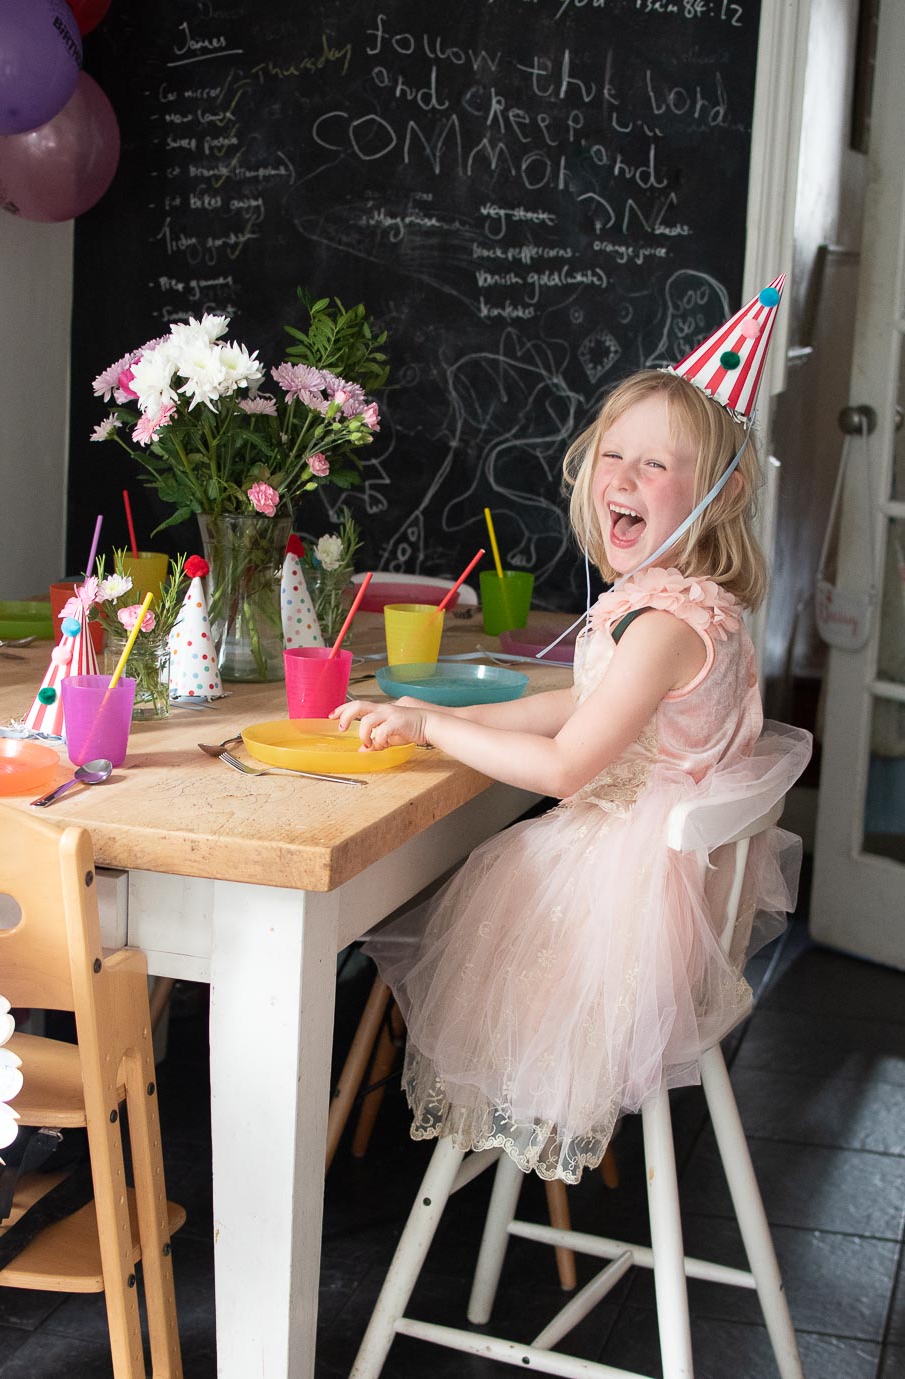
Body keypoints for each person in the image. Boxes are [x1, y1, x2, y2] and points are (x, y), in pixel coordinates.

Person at [332, 279, 812, 1184]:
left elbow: (563, 766)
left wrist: (433, 727)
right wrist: (447, 713)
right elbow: (571, 703)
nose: (624, 478)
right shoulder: (678, 606)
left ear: (720, 493)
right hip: (655, 894)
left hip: (614, 917)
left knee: (415, 902)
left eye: (658, 465)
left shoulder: (664, 625)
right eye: (613, 455)